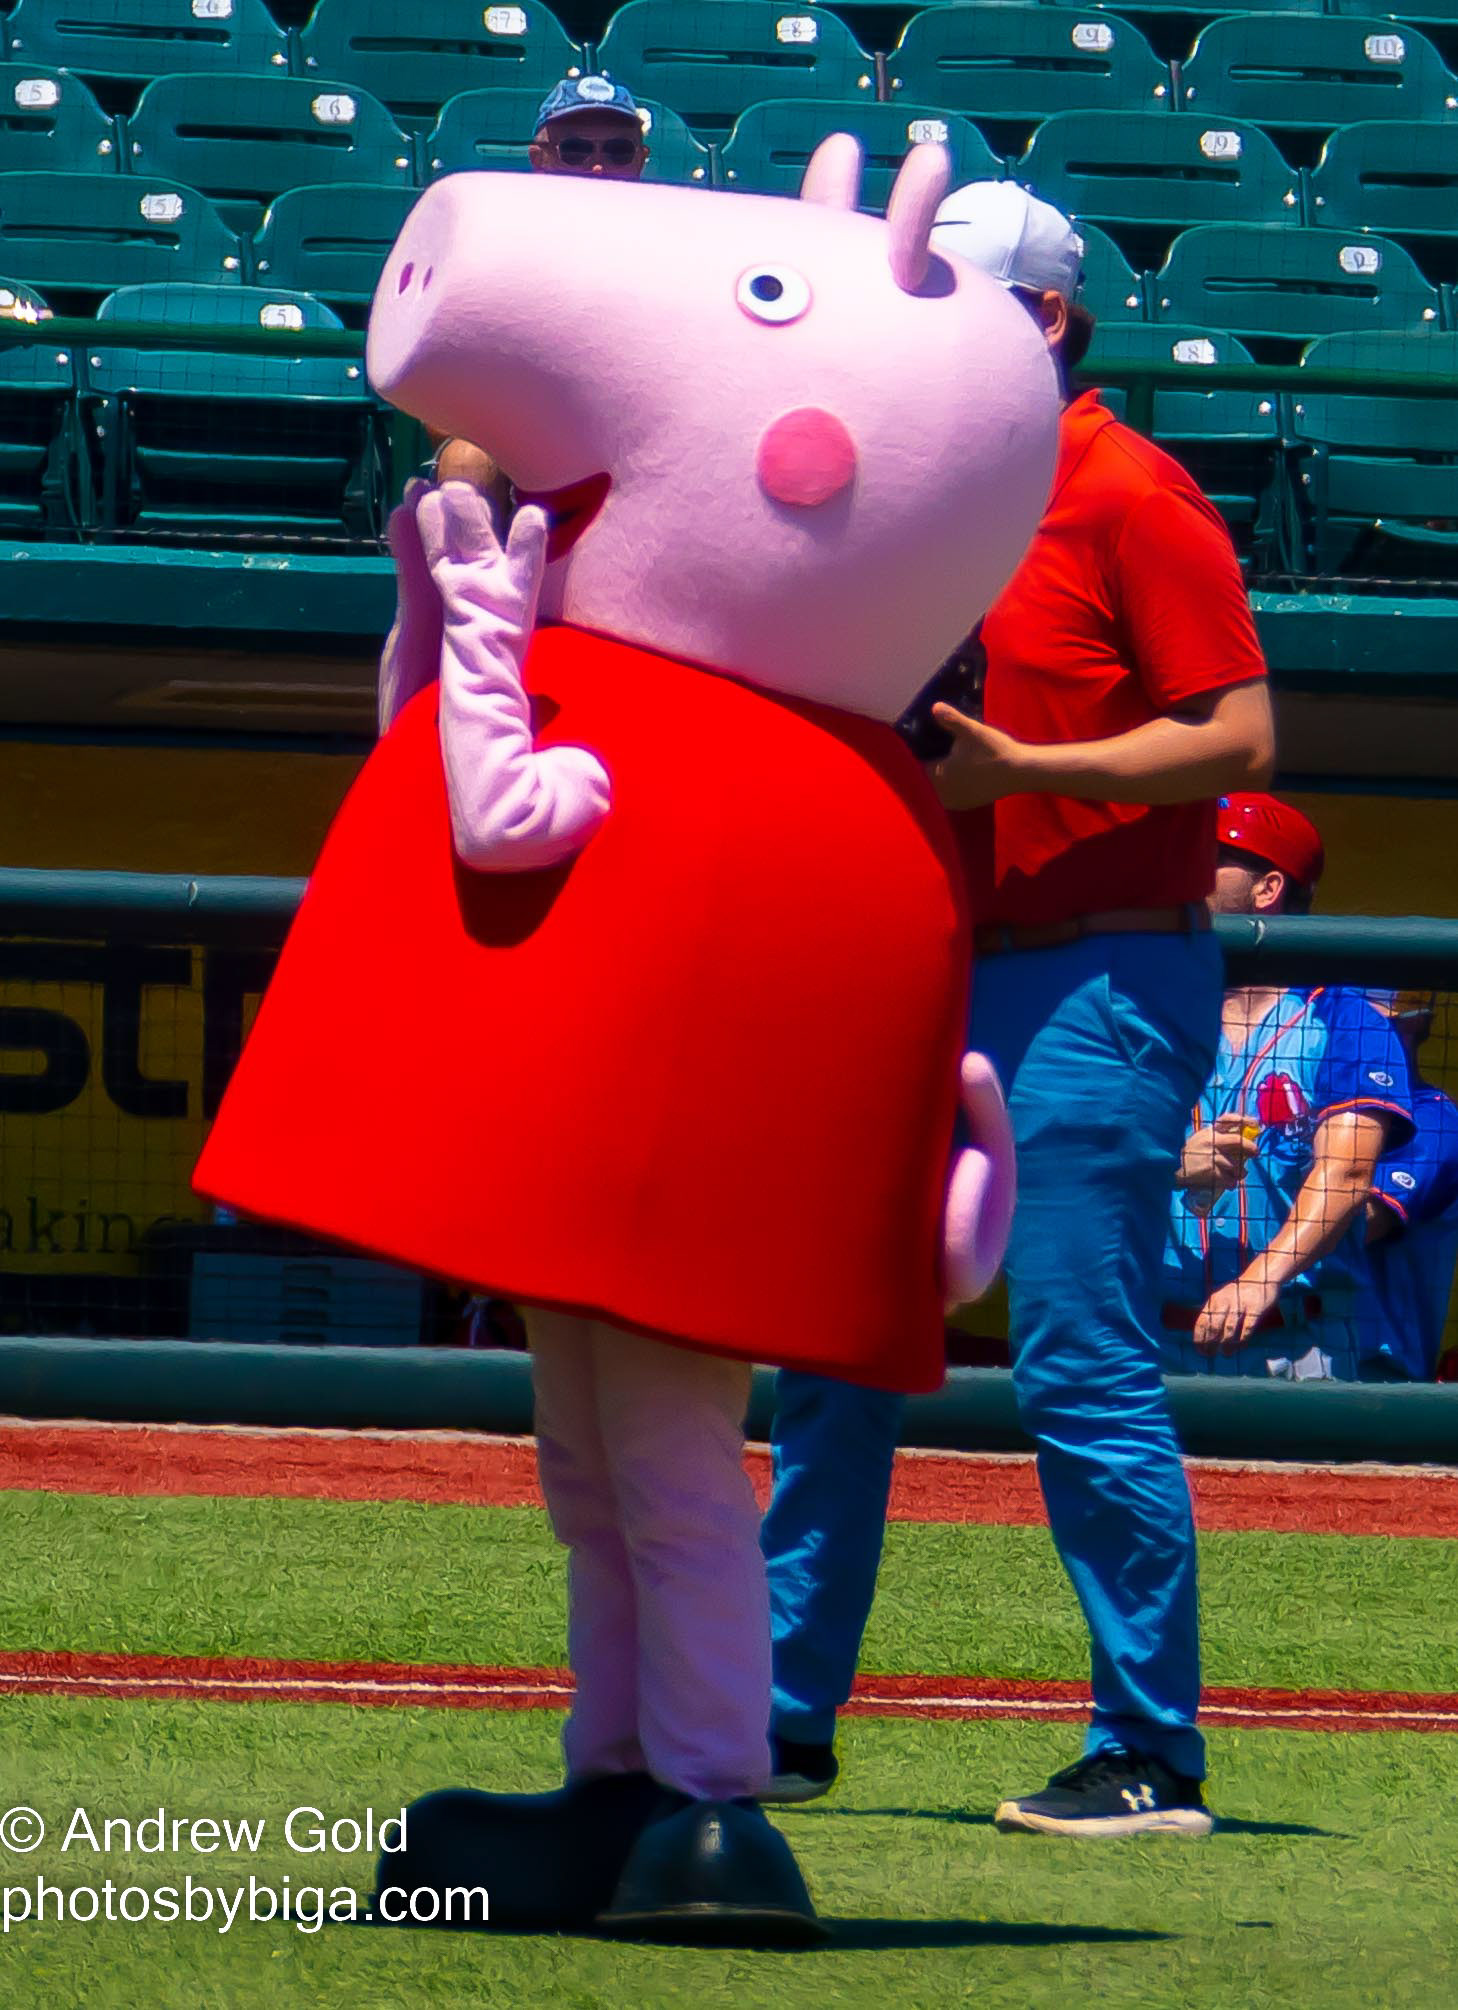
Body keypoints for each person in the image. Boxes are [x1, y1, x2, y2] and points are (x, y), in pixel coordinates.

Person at [762, 180, 1276, 1838]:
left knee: (1076, 1365)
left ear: (1043, 322)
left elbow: (1239, 735)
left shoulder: (1125, 487)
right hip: (926, 956)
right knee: (837, 1349)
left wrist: (1022, 766)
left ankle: (1149, 1752)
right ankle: (773, 1720)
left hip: (1096, 966)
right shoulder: (924, 482)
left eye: (955, 305)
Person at [1162, 794, 1414, 1381]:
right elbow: (1081, 1157)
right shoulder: (1148, 1009)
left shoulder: (1347, 1018)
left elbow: (1346, 1175)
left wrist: (1258, 1282)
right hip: (1154, 1340)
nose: (1184, 869)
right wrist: (1170, 1164)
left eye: (1210, 855)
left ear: (1267, 888)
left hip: (1297, 1344)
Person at [430, 73, 648, 501]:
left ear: (641, 158)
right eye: (576, 150)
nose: (599, 166)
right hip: (515, 425)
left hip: (631, 428)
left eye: (618, 150)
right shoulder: (498, 240)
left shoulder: (671, 242)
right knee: (465, 462)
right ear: (540, 158)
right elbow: (449, 385)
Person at [1362, 991, 1458, 1381]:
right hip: (1295, 1346)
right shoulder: (1318, 1111)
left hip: (1381, 1373)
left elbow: (1365, 1223)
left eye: (1370, 1019)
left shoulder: (1436, 1119)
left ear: (1416, 1022)